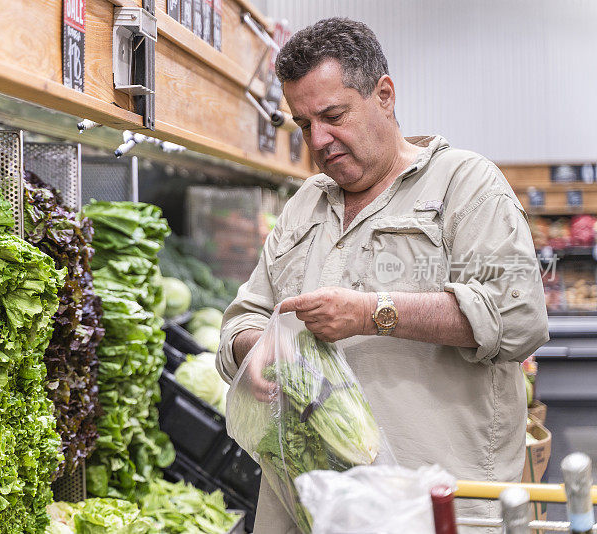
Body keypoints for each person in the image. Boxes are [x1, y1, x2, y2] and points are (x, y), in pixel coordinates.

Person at [216, 17, 549, 534]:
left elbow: (518, 315)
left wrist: (373, 313)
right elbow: (244, 317)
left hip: (431, 510)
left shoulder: (465, 185)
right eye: (304, 125)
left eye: (333, 116)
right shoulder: (305, 204)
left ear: (385, 94)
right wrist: (255, 348)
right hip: (311, 511)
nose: (319, 140)